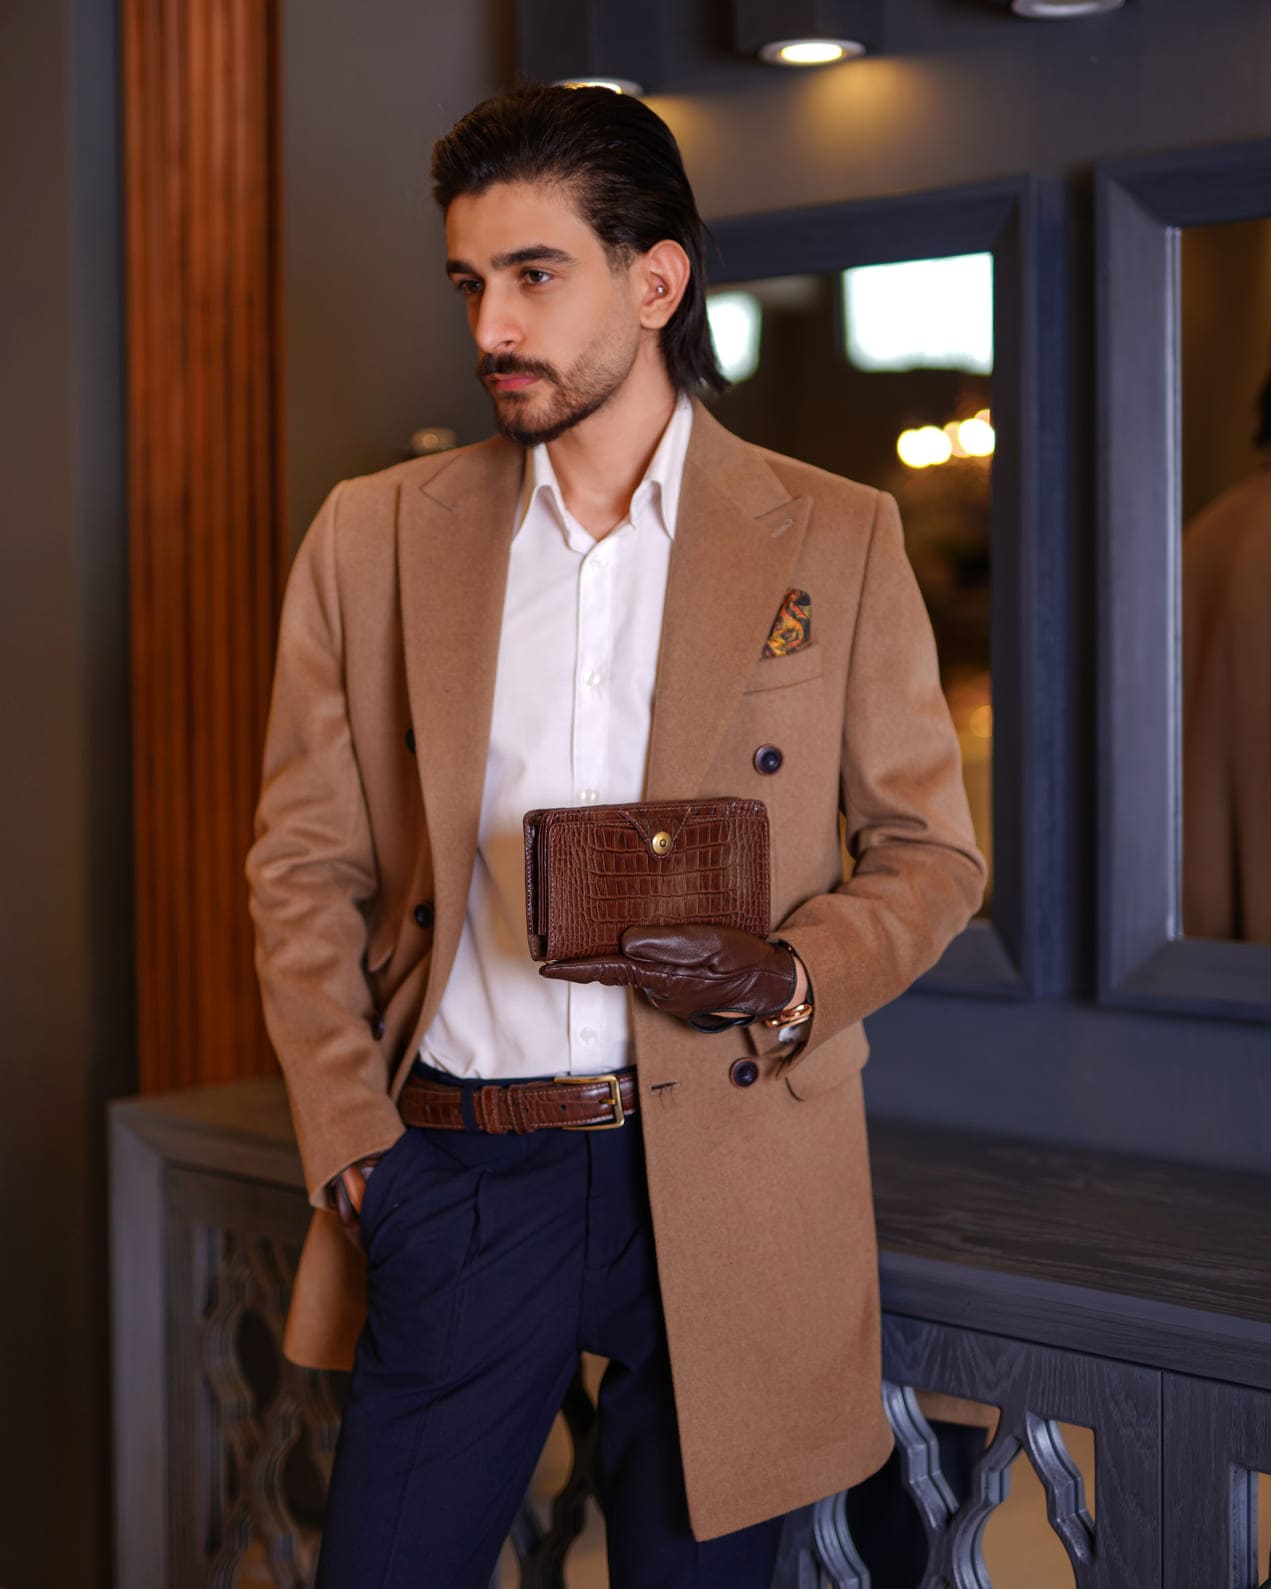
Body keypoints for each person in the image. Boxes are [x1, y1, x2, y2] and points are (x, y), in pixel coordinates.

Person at [246, 82, 986, 1588]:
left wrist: (789, 975)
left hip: (730, 1165)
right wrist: (356, 1147)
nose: (491, 327)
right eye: (470, 282)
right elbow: (302, 863)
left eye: (534, 275)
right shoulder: (373, 536)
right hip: (458, 1170)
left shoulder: (833, 534)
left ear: (657, 282)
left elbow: (932, 854)